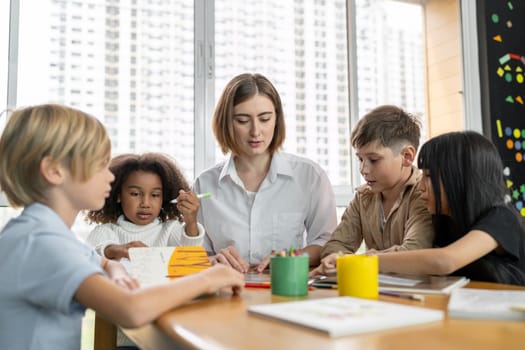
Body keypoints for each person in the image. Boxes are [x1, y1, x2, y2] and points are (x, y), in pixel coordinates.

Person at [0, 104, 244, 349]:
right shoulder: (42, 243)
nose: (110, 176)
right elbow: (131, 310)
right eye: (99, 165)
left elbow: (101, 261)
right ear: (54, 171)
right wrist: (208, 279)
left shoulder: (39, 232)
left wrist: (114, 268)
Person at [313, 131, 525, 286]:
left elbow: (445, 260)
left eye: (429, 176)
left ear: (461, 180)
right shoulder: (442, 221)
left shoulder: (500, 218)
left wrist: (356, 261)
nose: (421, 185)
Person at [193, 73, 337, 273]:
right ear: (226, 123)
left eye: (265, 119)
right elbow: (198, 254)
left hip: (287, 288)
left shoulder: (309, 176)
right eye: (243, 120)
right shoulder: (205, 185)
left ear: (276, 119)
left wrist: (291, 257)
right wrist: (213, 261)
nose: (256, 131)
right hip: (225, 289)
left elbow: (327, 242)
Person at [320, 105, 434, 260]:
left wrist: (351, 261)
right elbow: (335, 246)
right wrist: (335, 257)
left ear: (407, 156)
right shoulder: (362, 197)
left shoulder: (425, 193)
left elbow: (414, 251)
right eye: (360, 159)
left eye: (374, 160)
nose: (363, 169)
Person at [86, 152, 204, 261]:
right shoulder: (105, 232)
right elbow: (89, 256)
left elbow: (191, 261)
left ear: (164, 198)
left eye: (155, 195)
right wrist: (116, 250)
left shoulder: (170, 230)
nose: (145, 203)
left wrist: (191, 222)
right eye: (135, 194)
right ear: (118, 196)